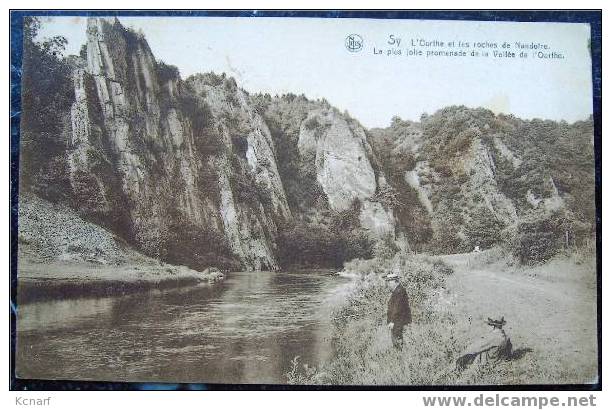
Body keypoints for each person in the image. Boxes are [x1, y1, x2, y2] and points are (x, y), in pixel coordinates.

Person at [385, 273, 412, 349]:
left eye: (389, 281)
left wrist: (392, 321)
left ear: (395, 281)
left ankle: (399, 358)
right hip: (397, 322)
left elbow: (397, 308)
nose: (388, 284)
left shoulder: (399, 291)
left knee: (398, 344)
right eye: (387, 281)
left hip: (398, 322)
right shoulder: (397, 291)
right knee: (398, 343)